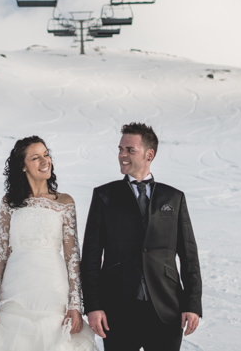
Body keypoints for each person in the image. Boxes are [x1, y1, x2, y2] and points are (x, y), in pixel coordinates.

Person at [0, 135, 98, 351]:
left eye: (46, 155)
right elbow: (0, 255)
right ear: (22, 166)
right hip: (16, 286)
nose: (45, 161)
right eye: (36, 157)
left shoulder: (64, 202)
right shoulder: (9, 202)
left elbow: (72, 257)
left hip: (53, 287)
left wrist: (75, 305)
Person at [81, 122, 202, 351]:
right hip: (118, 309)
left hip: (167, 309)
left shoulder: (174, 198)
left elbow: (189, 256)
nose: (122, 155)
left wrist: (192, 304)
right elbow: (91, 256)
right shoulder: (104, 196)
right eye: (120, 149)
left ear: (149, 154)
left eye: (129, 150)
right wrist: (93, 306)